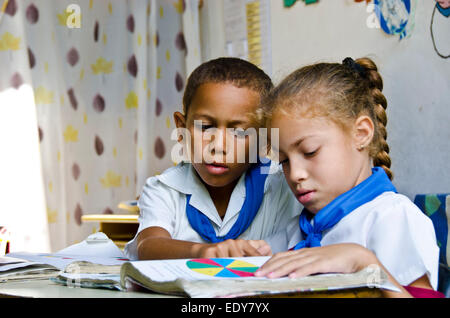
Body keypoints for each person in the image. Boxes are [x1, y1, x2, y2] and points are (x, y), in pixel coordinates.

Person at [254, 57, 442, 298]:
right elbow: (258, 258)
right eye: (284, 161)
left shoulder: (393, 219)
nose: (295, 174)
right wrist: (236, 250)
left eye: (310, 151)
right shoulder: (301, 228)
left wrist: (362, 262)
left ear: (361, 134)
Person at [124, 57, 301, 260]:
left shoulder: (282, 187)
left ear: (265, 140)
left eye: (240, 133)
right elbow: (148, 246)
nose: (218, 146)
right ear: (181, 129)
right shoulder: (163, 189)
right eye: (205, 127)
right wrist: (205, 252)